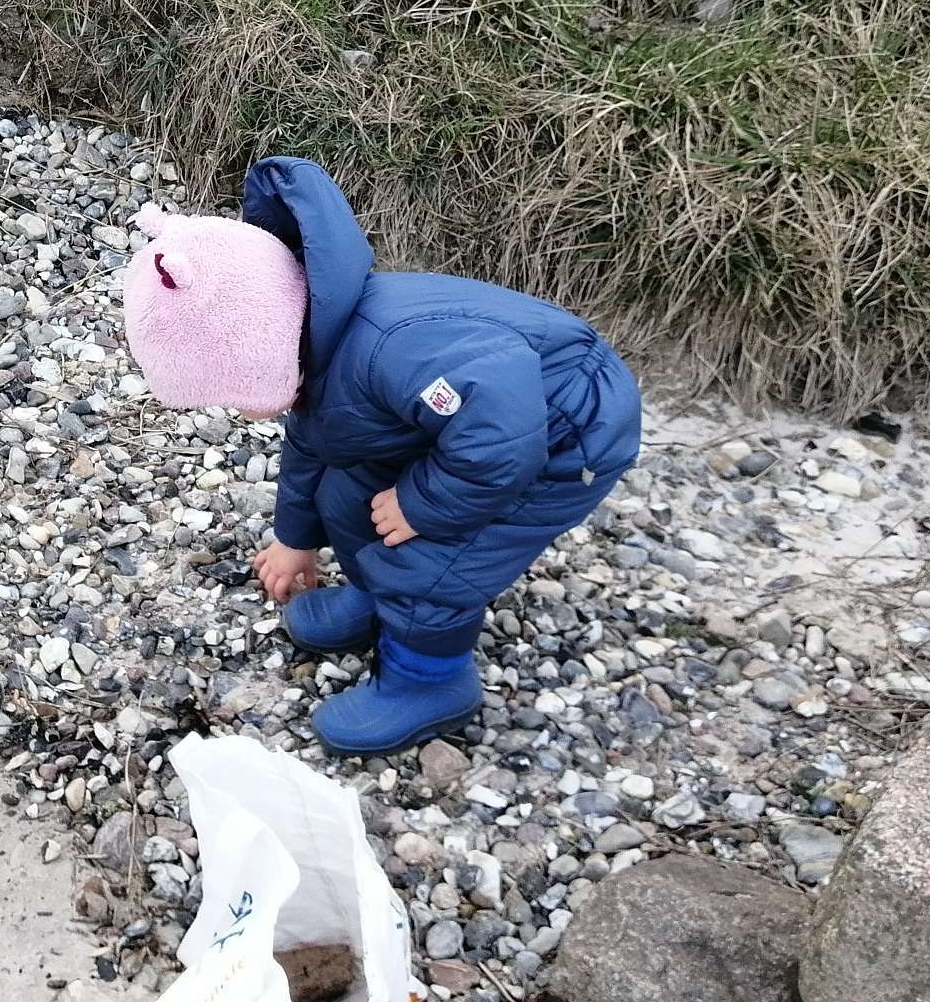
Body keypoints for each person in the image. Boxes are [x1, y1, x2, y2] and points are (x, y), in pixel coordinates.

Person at [122, 156, 641, 756]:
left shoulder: (388, 350)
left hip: (564, 435)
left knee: (428, 564)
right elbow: (311, 449)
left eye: (231, 391)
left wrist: (425, 505)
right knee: (348, 494)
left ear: (257, 349)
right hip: (465, 430)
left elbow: (501, 436)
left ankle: (432, 682)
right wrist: (296, 538)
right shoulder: (316, 343)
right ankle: (376, 598)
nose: (236, 411)